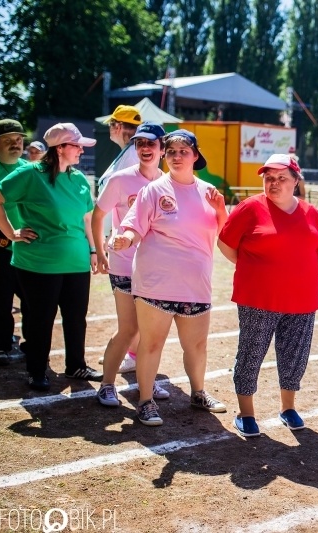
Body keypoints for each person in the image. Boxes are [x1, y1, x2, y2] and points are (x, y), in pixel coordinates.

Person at [111, 129, 228, 426]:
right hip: (155, 283)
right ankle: (146, 401)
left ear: (195, 156)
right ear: (164, 154)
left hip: (195, 285)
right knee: (151, 344)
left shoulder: (208, 192)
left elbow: (223, 235)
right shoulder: (153, 190)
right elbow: (133, 226)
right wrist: (124, 240)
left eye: (183, 151)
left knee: (197, 346)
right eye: (171, 151)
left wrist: (221, 210)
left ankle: (198, 393)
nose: (177, 157)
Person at [217, 154, 318, 438]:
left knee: (294, 357)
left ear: (295, 181)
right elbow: (226, 244)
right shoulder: (249, 208)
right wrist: (252, 266)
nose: (273, 183)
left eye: (281, 178)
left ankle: (287, 408)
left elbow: (314, 251)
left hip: (301, 300)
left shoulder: (311, 212)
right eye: (268, 178)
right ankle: (246, 413)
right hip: (258, 298)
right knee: (251, 354)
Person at [0, 123, 104, 390]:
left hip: (76, 261)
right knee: (41, 318)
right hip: (39, 263)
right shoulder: (30, 173)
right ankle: (36, 370)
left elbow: (86, 218)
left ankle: (76, 365)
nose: (81, 150)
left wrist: (92, 250)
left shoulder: (78, 178)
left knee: (76, 316)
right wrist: (10, 232)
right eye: (77, 145)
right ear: (60, 148)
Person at [91, 122, 170, 407]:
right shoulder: (121, 179)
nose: (145, 149)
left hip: (155, 270)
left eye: (151, 144)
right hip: (124, 266)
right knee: (129, 329)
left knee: (149, 331)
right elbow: (98, 216)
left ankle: (144, 384)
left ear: (163, 148)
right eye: (139, 144)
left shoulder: (167, 181)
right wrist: (100, 252)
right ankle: (106, 385)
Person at [96, 105, 142, 373]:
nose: (110, 129)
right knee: (130, 310)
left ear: (118, 127)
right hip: (123, 243)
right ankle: (130, 351)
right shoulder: (127, 155)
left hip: (130, 246)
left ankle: (133, 355)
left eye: (112, 124)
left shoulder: (132, 157)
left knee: (135, 310)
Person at [0, 119, 29, 366]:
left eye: (19, 140)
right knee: (0, 300)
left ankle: (32, 343)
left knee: (32, 301)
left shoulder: (30, 169)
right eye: (9, 140)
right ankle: (0, 344)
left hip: (28, 248)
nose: (15, 145)